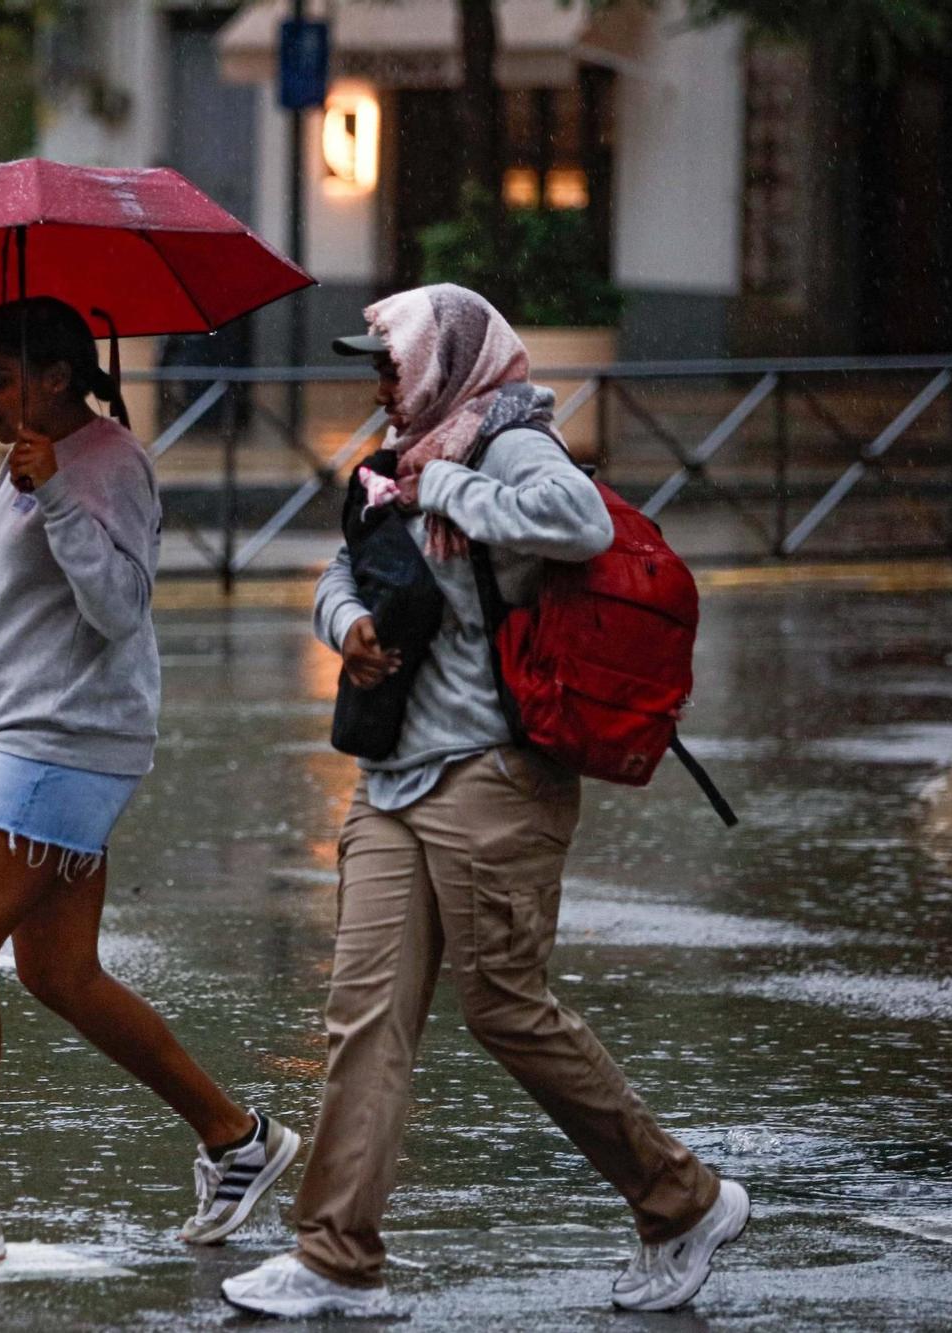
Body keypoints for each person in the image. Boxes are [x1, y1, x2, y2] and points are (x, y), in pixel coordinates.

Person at [223, 284, 748, 1319]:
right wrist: (346, 627)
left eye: (387, 362)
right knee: (362, 1019)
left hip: (493, 775)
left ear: (443, 360)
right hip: (393, 778)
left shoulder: (500, 443)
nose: (374, 381)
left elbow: (575, 519)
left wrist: (446, 491)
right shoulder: (396, 451)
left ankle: (679, 1199)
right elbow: (346, 560)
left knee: (504, 1006)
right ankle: (335, 1257)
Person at [0, 297, 299, 1261]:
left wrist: (54, 495)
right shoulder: (25, 466)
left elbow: (122, 606)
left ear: (52, 377)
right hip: (47, 742)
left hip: (65, 742)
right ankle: (237, 1138)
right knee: (59, 972)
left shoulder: (109, 463)